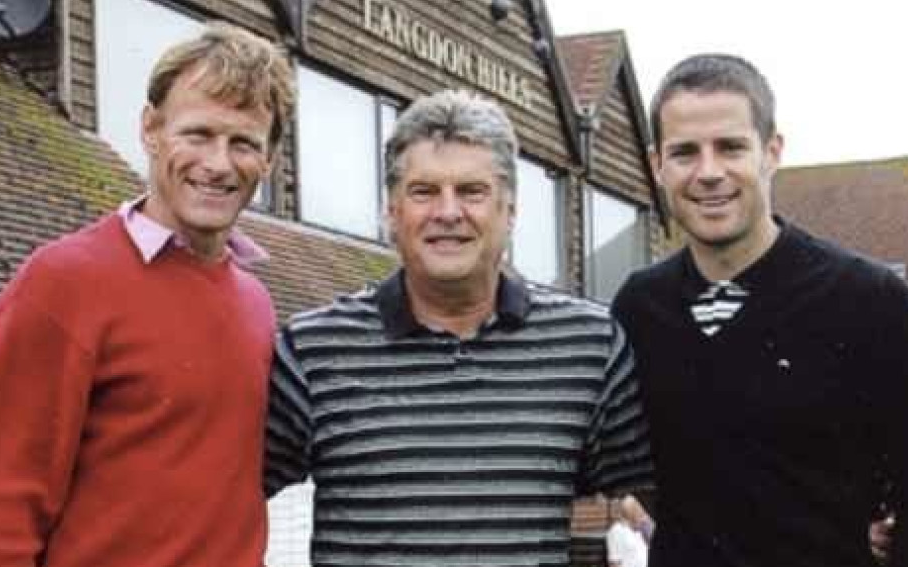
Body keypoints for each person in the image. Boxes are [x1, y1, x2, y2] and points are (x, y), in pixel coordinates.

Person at [264, 89, 653, 567]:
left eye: (472, 191)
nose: (448, 212)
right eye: (424, 191)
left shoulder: (589, 348)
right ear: (392, 212)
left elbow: (673, 503)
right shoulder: (313, 350)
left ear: (509, 212)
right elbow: (215, 503)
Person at [0, 22, 292, 567]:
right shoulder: (63, 283)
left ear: (268, 161)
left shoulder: (256, 303)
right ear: (151, 129)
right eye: (198, 134)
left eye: (243, 143)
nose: (218, 163)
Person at [611, 53, 908, 567]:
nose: (709, 173)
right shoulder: (641, 307)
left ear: (772, 152)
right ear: (658, 165)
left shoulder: (871, 301)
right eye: (685, 152)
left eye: (730, 147)